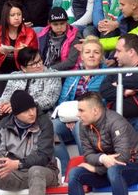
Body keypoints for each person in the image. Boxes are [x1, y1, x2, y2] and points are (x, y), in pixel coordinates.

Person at [0, 90, 59, 194]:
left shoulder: (44, 123)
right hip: (15, 173)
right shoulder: (4, 125)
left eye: (33, 108)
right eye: (26, 111)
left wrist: (18, 164)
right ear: (16, 114)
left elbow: (44, 156)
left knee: (36, 171)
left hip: (45, 171)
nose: (31, 113)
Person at [68, 92, 138, 195]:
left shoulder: (116, 122)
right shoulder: (83, 125)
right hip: (108, 171)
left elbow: (123, 157)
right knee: (75, 173)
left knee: (114, 171)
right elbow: (88, 155)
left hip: (135, 167)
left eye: (81, 110)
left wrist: (97, 169)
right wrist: (102, 158)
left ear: (95, 111)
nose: (77, 114)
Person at [100, 34, 138, 152]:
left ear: (131, 52)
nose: (115, 55)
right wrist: (125, 91)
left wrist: (118, 84)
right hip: (118, 118)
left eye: (118, 51)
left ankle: (137, 163)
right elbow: (104, 90)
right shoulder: (116, 68)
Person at [53, 36, 106, 173]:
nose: (91, 55)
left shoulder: (107, 74)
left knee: (80, 126)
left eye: (96, 52)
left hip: (94, 120)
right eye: (87, 52)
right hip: (71, 118)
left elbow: (103, 101)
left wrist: (79, 117)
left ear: (101, 57)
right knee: (51, 128)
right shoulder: (73, 75)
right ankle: (66, 170)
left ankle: (88, 167)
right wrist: (68, 119)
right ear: (81, 56)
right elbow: (63, 100)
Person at [0, 1, 38, 99]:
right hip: (1, 71)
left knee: (17, 98)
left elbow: (36, 57)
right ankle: (2, 103)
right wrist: (0, 50)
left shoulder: (30, 33)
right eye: (12, 15)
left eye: (19, 14)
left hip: (22, 71)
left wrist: (25, 51)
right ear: (6, 17)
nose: (17, 18)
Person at [0, 47, 62, 116]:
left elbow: (48, 101)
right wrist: (1, 105)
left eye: (39, 60)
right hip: (14, 115)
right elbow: (6, 95)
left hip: (41, 115)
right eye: (33, 64)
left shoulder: (52, 75)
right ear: (23, 68)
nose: (39, 65)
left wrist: (18, 106)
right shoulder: (15, 76)